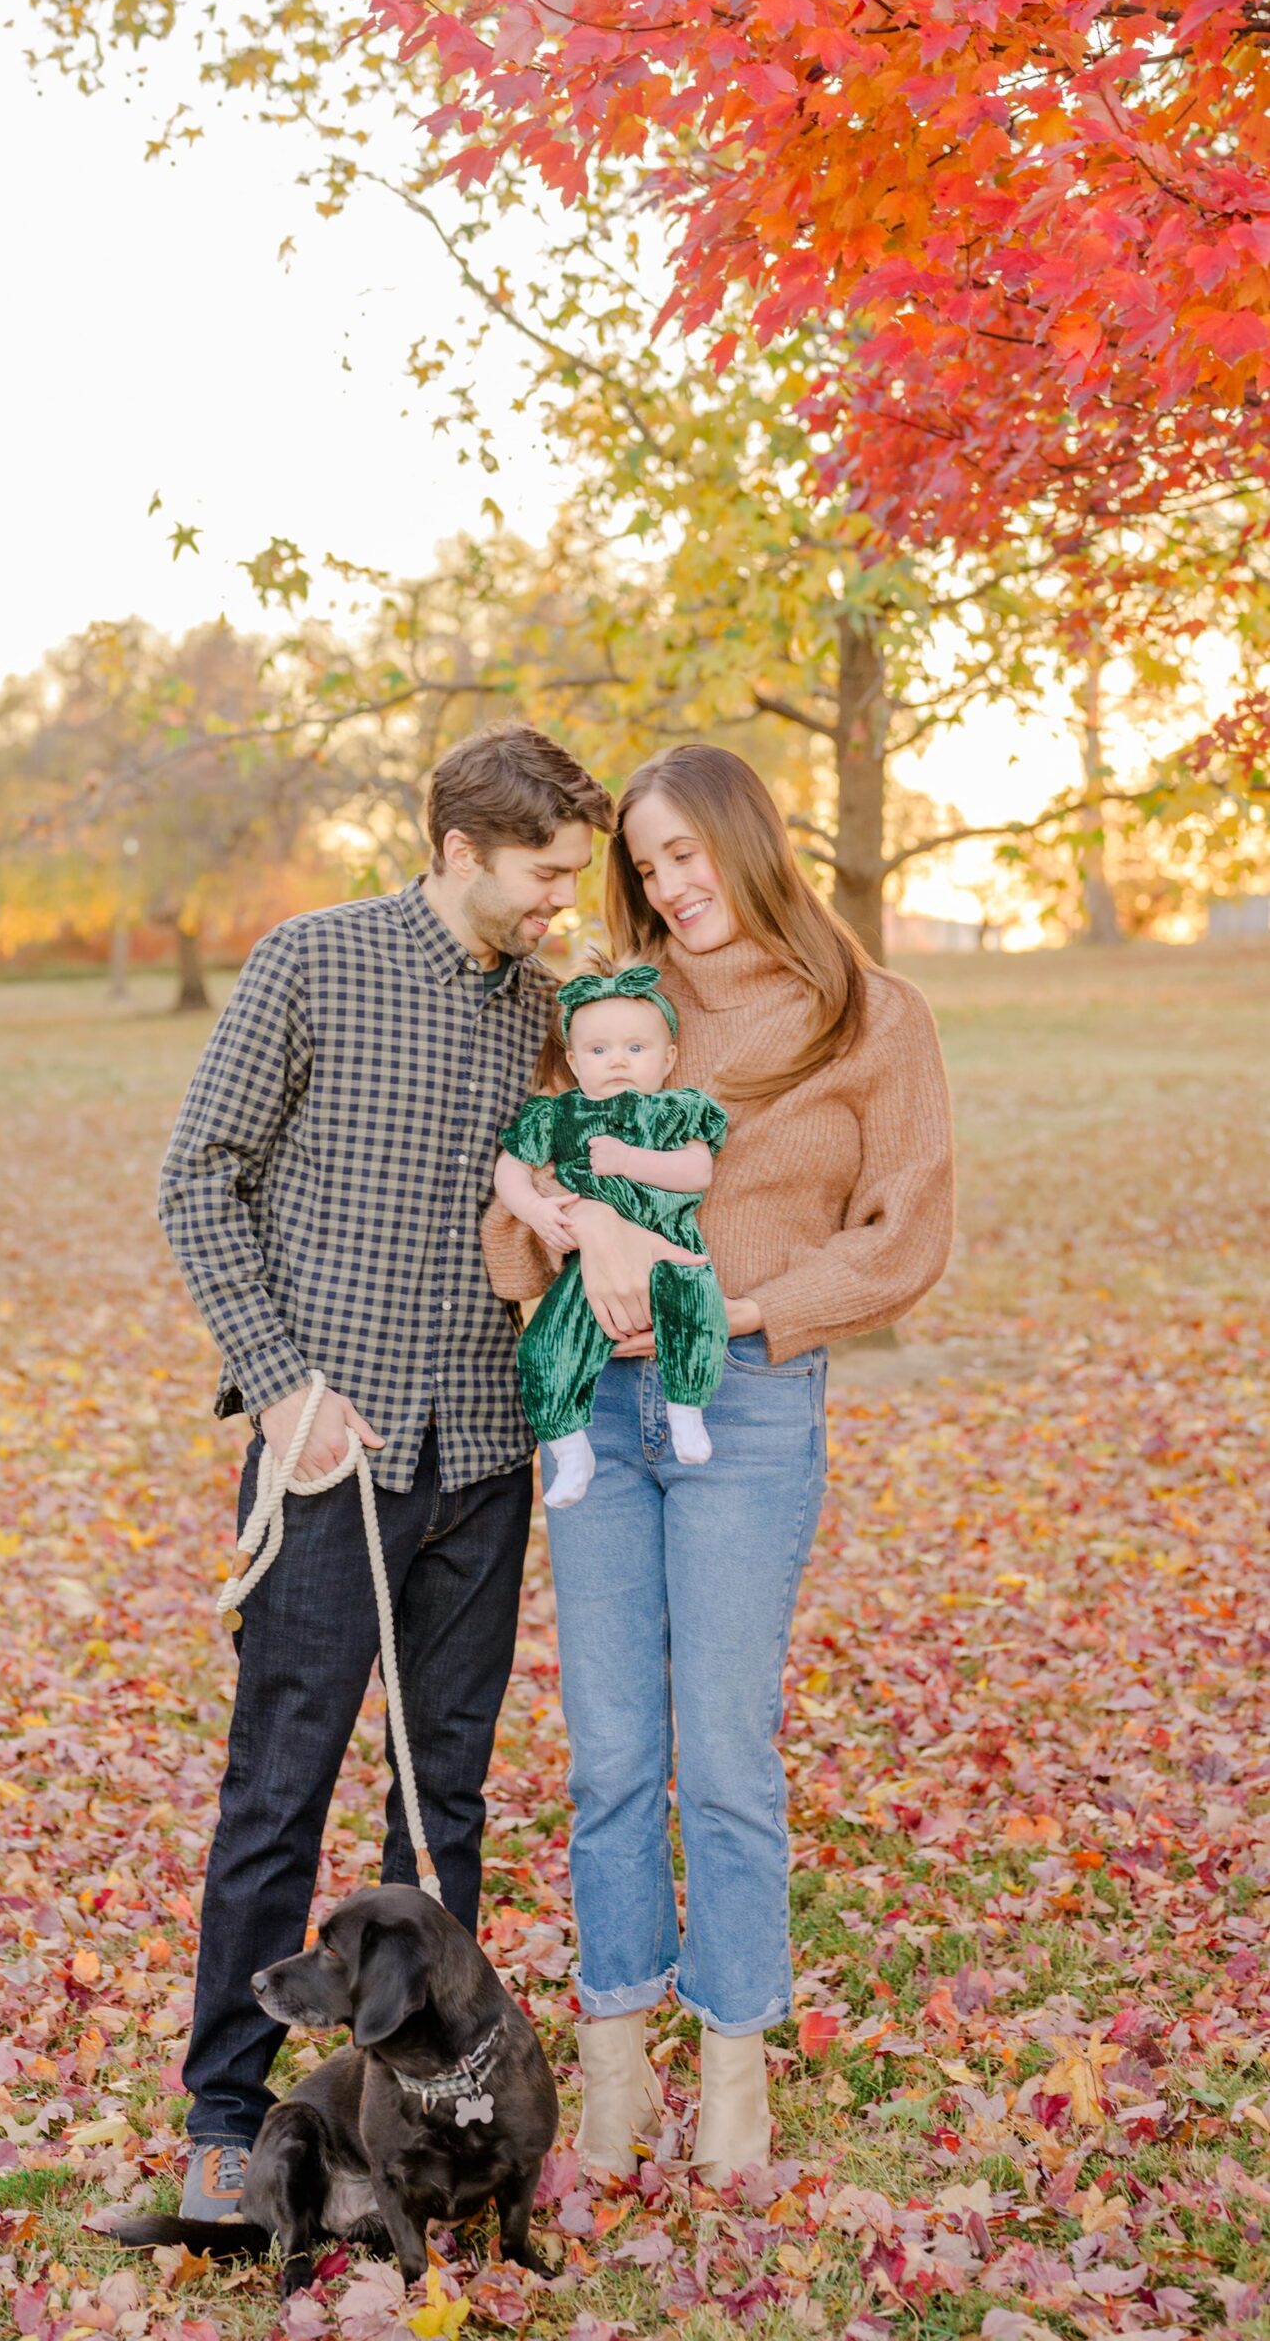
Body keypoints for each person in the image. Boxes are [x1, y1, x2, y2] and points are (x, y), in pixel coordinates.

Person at [154, 722, 613, 2222]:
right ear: (459, 849)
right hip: (324, 1462)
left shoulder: (542, 1010)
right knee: (277, 1791)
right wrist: (283, 1388)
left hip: (481, 1458)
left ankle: (426, 2122)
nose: (560, 899)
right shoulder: (310, 961)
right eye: (542, 873)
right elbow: (197, 1179)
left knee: (447, 1806)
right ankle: (227, 2113)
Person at [480, 743, 955, 2185]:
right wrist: (580, 1232)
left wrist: (728, 1310)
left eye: (686, 851)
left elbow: (901, 1239)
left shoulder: (869, 1015)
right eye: (643, 860)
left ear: (747, 842)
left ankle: (735, 2068)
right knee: (611, 1755)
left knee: (723, 1760)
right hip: (593, 1425)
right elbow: (521, 1212)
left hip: (742, 1407)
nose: (665, 883)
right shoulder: (607, 1010)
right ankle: (616, 2068)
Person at [493, 963, 729, 1506]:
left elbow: (697, 1172)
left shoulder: (676, 1109)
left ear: (668, 1057)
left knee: (697, 1313)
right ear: (573, 1062)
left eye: (636, 1048)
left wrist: (630, 1159)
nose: (617, 1059)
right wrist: (534, 1209)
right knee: (546, 1347)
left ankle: (687, 1409)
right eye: (598, 1051)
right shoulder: (558, 1114)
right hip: (589, 1267)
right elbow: (510, 1166)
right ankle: (570, 1448)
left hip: (673, 1247)